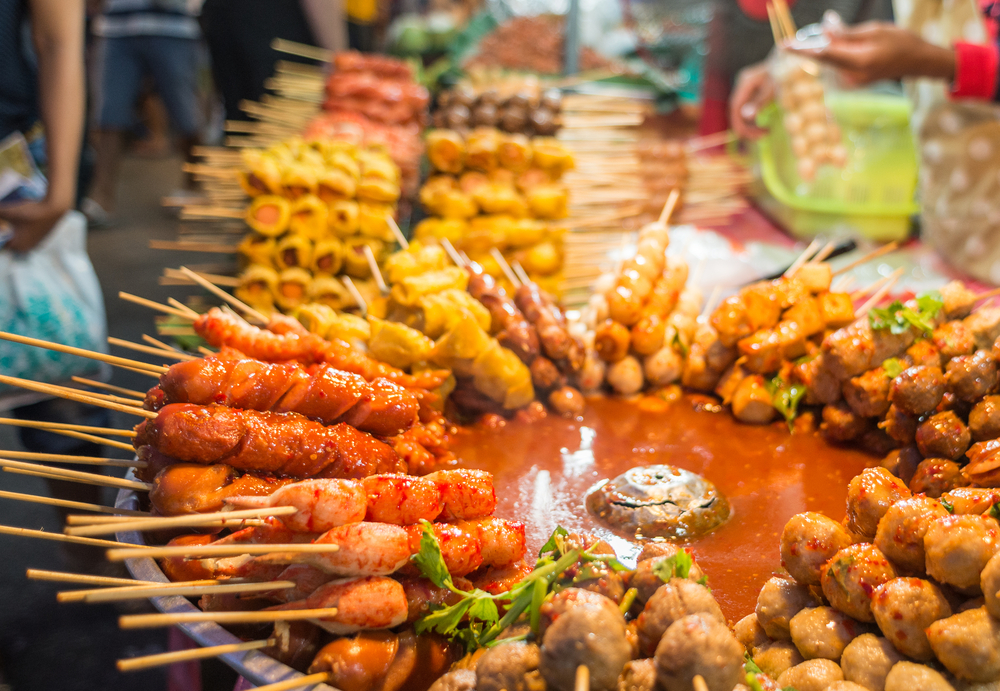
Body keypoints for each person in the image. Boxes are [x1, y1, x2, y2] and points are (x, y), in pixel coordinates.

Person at [0, 0, 110, 527]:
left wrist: (62, 189)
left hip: (8, 174)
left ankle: (84, 544)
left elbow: (59, 39)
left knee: (62, 394)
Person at [730, 19, 999, 138]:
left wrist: (937, 61)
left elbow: (911, 51)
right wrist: (793, 66)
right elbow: (882, 27)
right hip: (938, 177)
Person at [84, 0, 203, 222]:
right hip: (116, 26)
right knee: (109, 113)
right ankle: (101, 197)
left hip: (172, 26)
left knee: (185, 113)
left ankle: (194, 185)